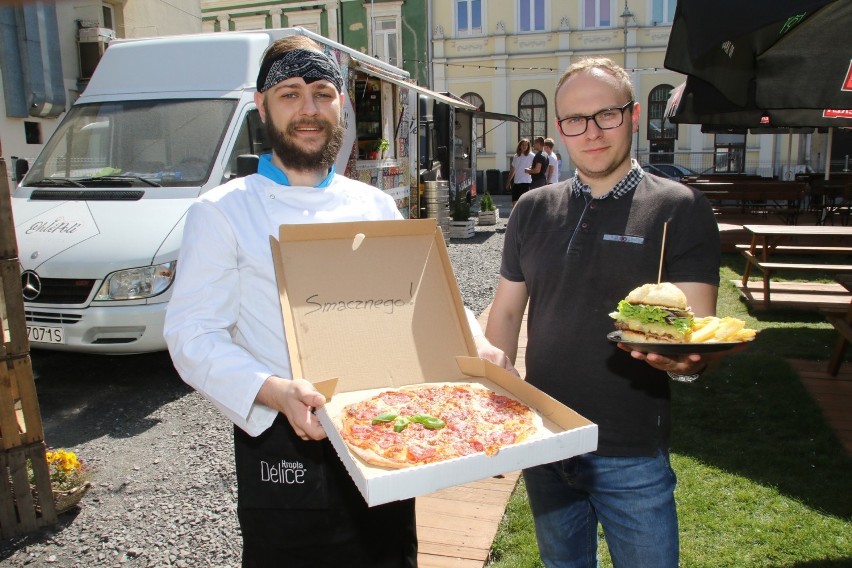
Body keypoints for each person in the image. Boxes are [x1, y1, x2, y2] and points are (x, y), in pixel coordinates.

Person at [163, 36, 419, 567]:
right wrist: (275, 392)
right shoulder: (222, 212)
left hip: (383, 432)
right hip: (284, 444)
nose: (309, 109)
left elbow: (417, 300)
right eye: (290, 93)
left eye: (323, 93)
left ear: (341, 106)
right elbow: (191, 335)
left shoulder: (374, 204)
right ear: (261, 107)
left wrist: (477, 343)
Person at [478, 57, 731, 567]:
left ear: (634, 115)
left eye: (607, 115)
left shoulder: (679, 209)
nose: (590, 133)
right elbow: (505, 314)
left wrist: (687, 362)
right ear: (559, 129)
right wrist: (495, 404)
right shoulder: (531, 208)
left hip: (630, 449)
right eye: (575, 120)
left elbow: (697, 329)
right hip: (546, 438)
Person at [506, 138, 533, 207]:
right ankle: (516, 217)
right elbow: (512, 170)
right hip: (517, 182)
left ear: (528, 147)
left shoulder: (531, 156)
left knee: (525, 203)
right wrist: (508, 182)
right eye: (522, 145)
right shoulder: (516, 156)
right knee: (514, 202)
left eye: (526, 145)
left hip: (526, 183)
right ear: (520, 146)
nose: (524, 146)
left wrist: (530, 170)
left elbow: (536, 168)